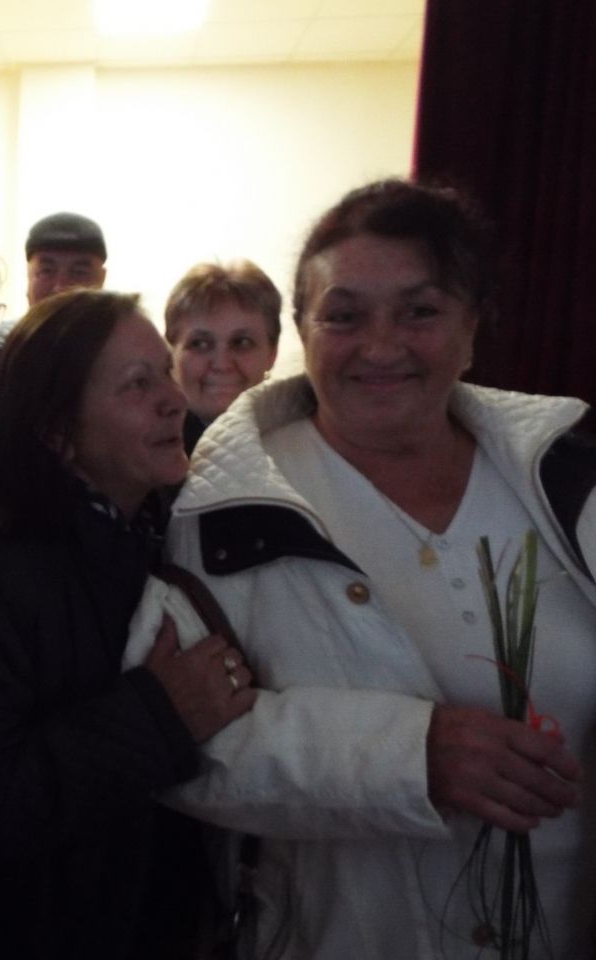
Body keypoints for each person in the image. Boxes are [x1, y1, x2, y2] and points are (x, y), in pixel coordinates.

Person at [158, 178, 595, 958]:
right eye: (345, 316)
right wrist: (407, 759)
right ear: (302, 329)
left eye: (420, 312)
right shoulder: (227, 511)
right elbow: (182, 753)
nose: (382, 347)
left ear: (472, 327)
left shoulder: (568, 483)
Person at [0, 288, 257, 959]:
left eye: (166, 373)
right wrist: (160, 715)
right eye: (137, 384)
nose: (173, 399)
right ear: (58, 432)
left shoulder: (163, 534)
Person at [0, 210, 107, 404]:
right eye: (46, 271)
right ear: (28, 276)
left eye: (79, 272)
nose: (60, 287)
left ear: (102, 280)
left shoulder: (123, 353)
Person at [164, 260, 281, 454]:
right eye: (200, 344)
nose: (222, 364)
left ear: (272, 354)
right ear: (170, 355)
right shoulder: (135, 458)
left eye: (242, 342)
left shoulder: (304, 447)